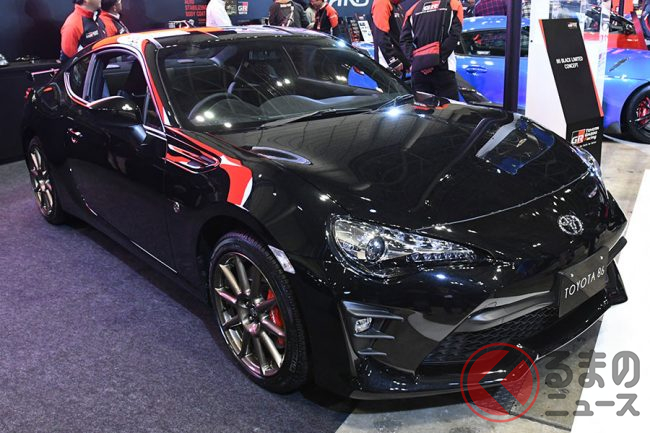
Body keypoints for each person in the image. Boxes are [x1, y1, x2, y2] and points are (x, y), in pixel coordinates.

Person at [401, 0, 464, 100]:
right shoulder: (454, 4)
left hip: (420, 72)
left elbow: (404, 41)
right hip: (443, 68)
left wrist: (419, 63)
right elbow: (454, 36)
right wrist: (436, 61)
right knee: (449, 108)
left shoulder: (412, 10)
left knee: (423, 107)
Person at [371, 0, 408, 74]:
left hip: (400, 62)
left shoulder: (397, 6)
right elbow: (381, 36)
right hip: (388, 65)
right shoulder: (382, 3)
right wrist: (393, 61)